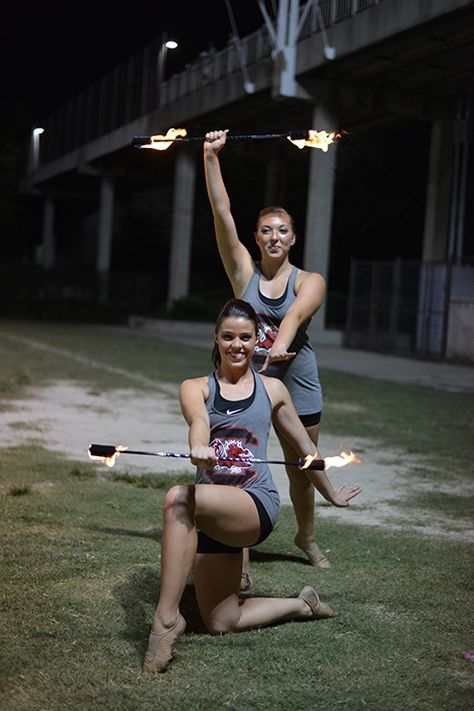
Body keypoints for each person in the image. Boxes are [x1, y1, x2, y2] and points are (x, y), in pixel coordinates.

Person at [143, 298, 361, 674]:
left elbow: (305, 449)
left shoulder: (273, 390)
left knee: (178, 499)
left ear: (257, 340)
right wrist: (198, 446)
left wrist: (331, 493)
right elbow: (198, 421)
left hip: (254, 505)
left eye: (245, 337)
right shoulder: (196, 388)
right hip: (212, 513)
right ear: (216, 338)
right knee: (221, 620)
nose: (236, 345)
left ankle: (165, 621)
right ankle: (301, 604)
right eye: (228, 337)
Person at [203, 129, 330, 590]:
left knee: (302, 464)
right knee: (242, 464)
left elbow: (296, 314)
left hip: (297, 378)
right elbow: (221, 213)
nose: (274, 236)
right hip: (252, 377)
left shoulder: (308, 278)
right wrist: (211, 157)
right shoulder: (243, 272)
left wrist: (281, 345)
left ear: (292, 238)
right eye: (265, 230)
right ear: (256, 238)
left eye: (282, 230)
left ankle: (307, 537)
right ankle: (240, 554)